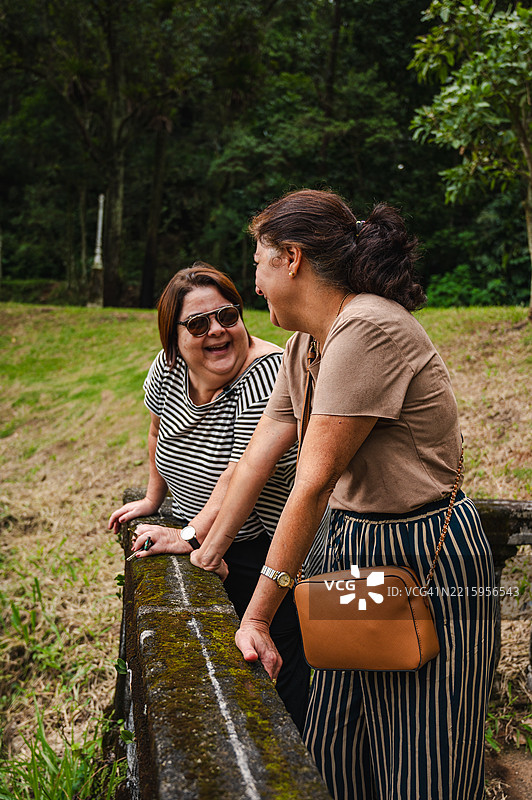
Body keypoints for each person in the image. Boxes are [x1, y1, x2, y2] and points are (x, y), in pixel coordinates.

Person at [190, 192, 497, 800]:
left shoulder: (369, 328)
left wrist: (255, 617)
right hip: (351, 552)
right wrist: (198, 539)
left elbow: (312, 480)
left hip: (420, 557)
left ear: (293, 259)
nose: (253, 285)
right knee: (337, 748)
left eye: (258, 263)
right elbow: (255, 457)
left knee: (421, 762)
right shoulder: (309, 342)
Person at [108, 263, 327, 733]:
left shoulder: (267, 375)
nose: (217, 331)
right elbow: (155, 430)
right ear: (174, 339)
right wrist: (152, 499)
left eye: (227, 316)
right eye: (198, 324)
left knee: (277, 670)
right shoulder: (166, 371)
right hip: (214, 537)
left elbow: (237, 475)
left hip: (265, 547)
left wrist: (188, 536)